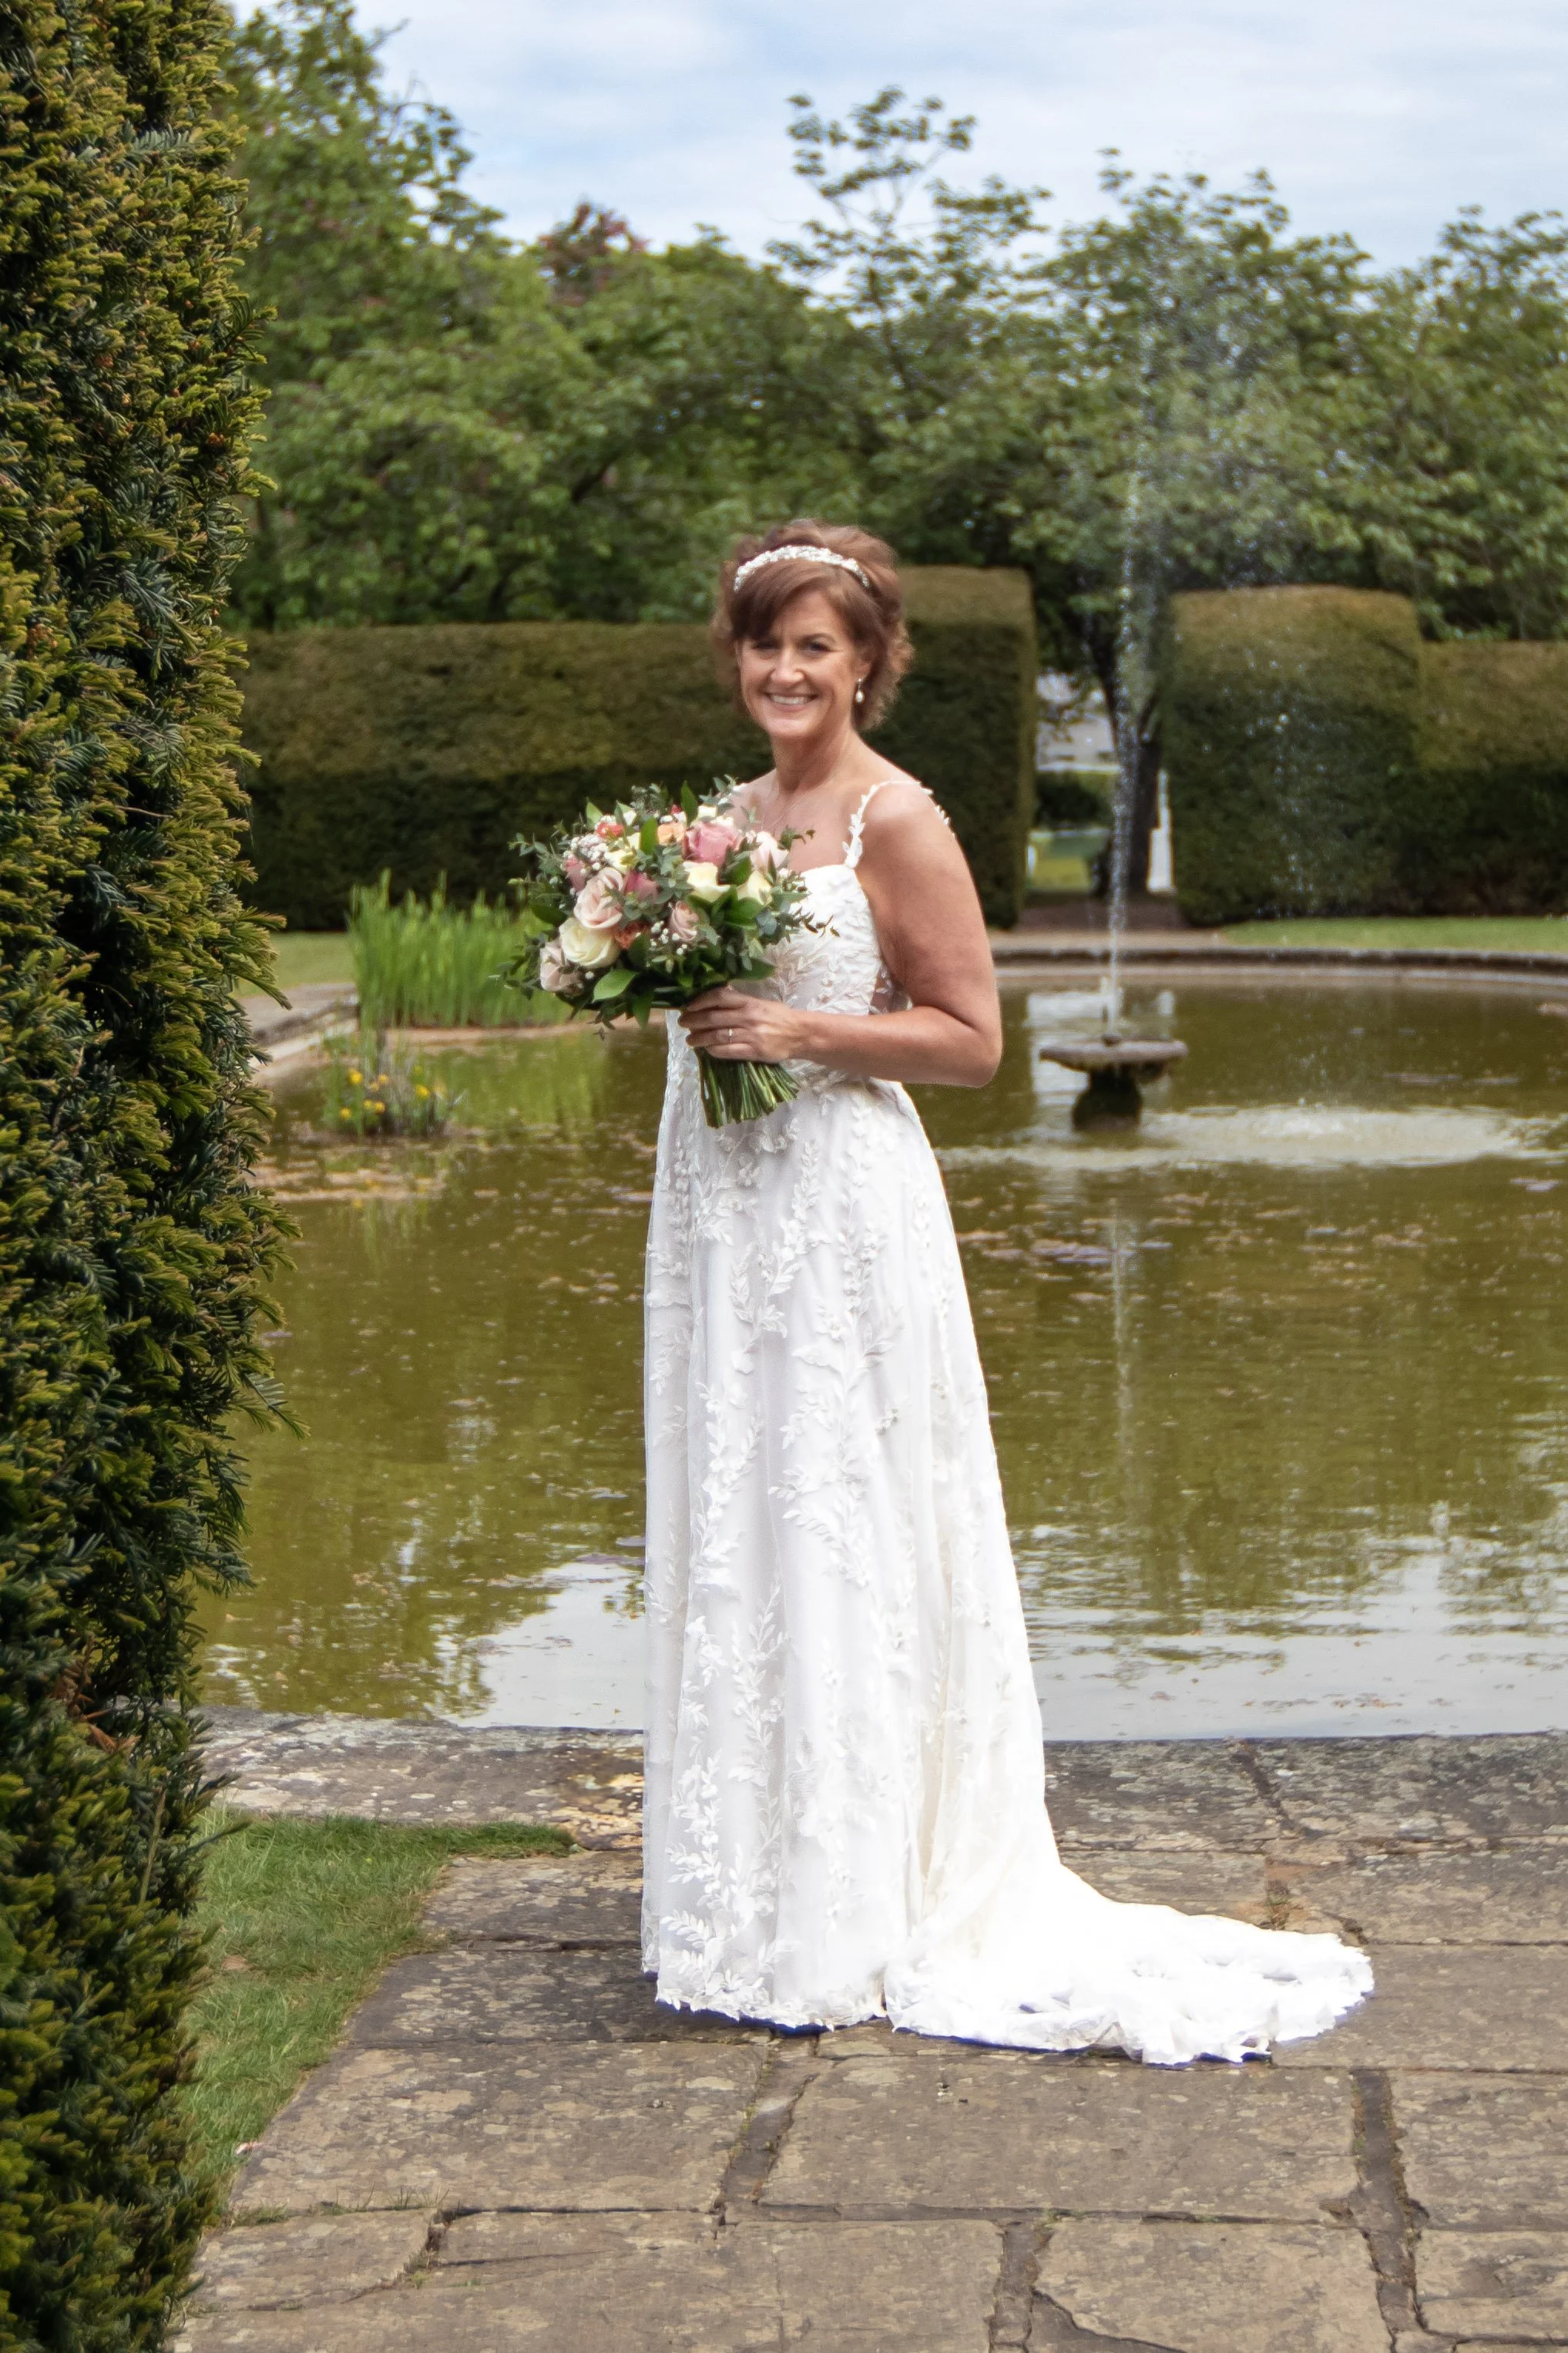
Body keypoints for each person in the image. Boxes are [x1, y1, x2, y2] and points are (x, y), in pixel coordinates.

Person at [640, 519, 1372, 2063]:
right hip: (725, 1205)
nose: (785, 667)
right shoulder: (717, 821)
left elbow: (971, 1038)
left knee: (845, 1507)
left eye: (816, 645)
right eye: (765, 641)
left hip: (842, 1207)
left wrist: (796, 1033)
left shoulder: (896, 820)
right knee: (749, 1510)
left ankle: (862, 1893)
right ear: (737, 656)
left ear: (867, 663)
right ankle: (751, 1885)